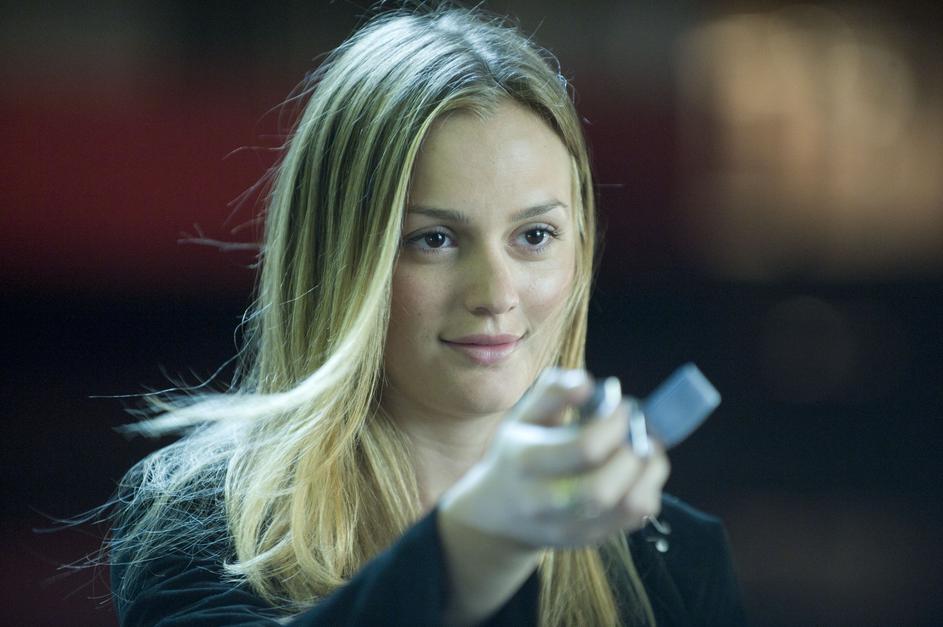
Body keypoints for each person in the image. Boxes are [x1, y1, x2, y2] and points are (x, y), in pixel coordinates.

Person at [107, 5, 746, 626]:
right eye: (433, 239)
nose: (495, 294)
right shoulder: (197, 519)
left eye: (535, 236)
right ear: (337, 257)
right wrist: (481, 542)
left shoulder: (676, 561)